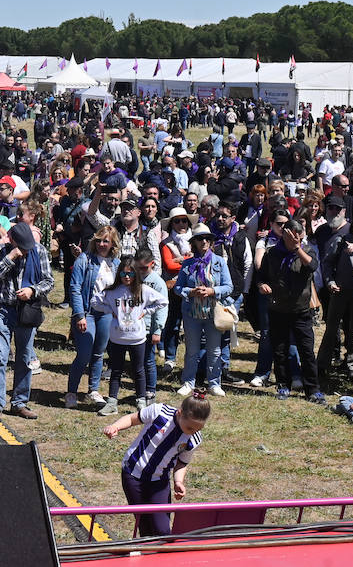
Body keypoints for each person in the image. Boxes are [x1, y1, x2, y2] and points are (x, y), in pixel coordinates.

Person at [101, 395, 210, 537]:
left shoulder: (193, 440)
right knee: (144, 523)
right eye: (190, 427)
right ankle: (147, 552)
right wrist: (115, 426)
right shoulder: (159, 412)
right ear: (179, 412)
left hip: (159, 481)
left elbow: (182, 463)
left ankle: (161, 553)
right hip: (133, 474)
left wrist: (178, 482)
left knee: (162, 529)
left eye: (198, 428)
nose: (193, 431)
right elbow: (132, 419)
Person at [0, 220, 53, 422]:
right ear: (12, 241)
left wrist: (33, 290)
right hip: (3, 309)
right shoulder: (1, 251)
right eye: (21, 246)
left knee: (24, 358)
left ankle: (20, 402)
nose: (26, 250)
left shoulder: (39, 250)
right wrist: (11, 258)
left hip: (27, 310)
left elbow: (49, 281)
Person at [95, 255, 169, 417]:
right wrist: (110, 311)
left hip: (138, 338)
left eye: (130, 274)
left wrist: (146, 311)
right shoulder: (113, 291)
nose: (127, 277)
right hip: (117, 338)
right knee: (116, 370)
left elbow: (163, 301)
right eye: (123, 274)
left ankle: (141, 402)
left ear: (135, 274)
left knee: (138, 370)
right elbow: (95, 301)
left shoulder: (143, 290)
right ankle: (112, 402)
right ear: (118, 274)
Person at [176, 224, 234, 398]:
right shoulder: (187, 263)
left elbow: (229, 286)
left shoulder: (219, 262)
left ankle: (214, 383)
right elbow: (178, 288)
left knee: (214, 349)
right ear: (194, 242)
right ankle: (188, 382)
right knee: (192, 349)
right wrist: (190, 292)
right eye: (200, 238)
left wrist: (212, 291)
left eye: (207, 238)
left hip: (213, 311)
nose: (204, 241)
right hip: (191, 312)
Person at [66, 226, 121, 409]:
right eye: (99, 240)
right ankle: (72, 391)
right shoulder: (85, 260)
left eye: (106, 241)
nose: (102, 244)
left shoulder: (116, 263)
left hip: (105, 313)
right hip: (87, 312)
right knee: (84, 354)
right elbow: (75, 287)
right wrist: (79, 315)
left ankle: (93, 389)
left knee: (99, 353)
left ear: (113, 243)